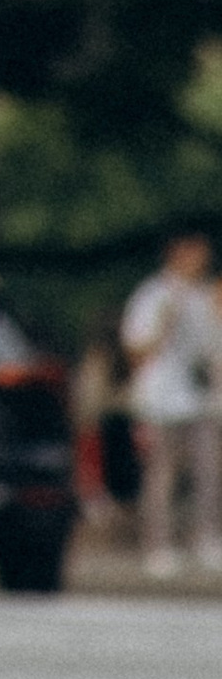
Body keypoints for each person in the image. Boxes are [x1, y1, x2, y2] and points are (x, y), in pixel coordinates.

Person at [121, 232, 219, 577]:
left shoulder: (204, 295)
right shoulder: (153, 294)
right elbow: (136, 347)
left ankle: (206, 540)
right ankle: (157, 547)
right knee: (161, 475)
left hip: (200, 399)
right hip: (162, 399)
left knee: (208, 472)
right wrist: (166, 320)